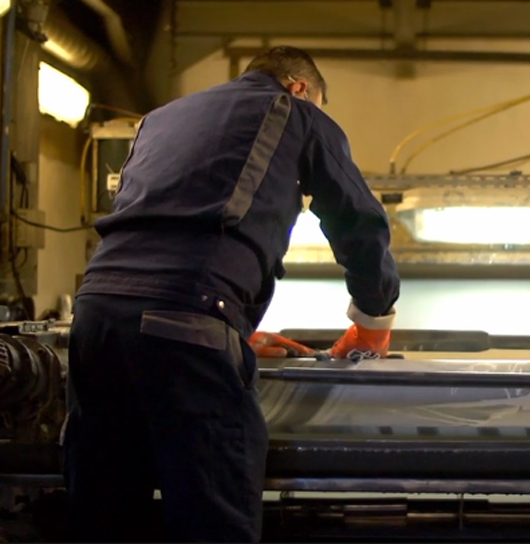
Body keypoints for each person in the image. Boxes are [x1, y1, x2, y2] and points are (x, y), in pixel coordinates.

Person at [62, 45, 400, 543]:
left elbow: (162, 239)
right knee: (214, 520)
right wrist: (373, 322)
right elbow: (358, 221)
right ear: (300, 88)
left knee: (105, 514)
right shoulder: (293, 111)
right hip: (188, 320)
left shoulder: (162, 118)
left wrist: (232, 330)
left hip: (95, 320)